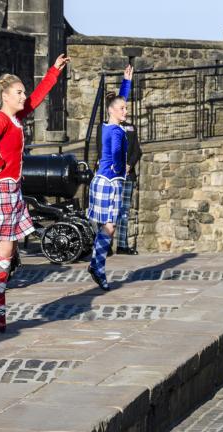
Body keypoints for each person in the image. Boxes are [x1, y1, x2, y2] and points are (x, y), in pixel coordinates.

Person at [0, 54, 70, 333]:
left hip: (11, 188)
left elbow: (37, 98)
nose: (23, 96)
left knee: (9, 249)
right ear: (5, 95)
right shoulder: (2, 119)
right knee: (5, 249)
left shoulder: (15, 117)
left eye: (23, 92)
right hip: (1, 189)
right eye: (18, 92)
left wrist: (53, 72)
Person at [88, 65, 134, 290]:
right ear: (114, 111)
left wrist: (126, 82)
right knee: (109, 228)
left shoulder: (109, 124)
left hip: (108, 181)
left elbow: (118, 100)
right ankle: (97, 266)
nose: (126, 111)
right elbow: (116, 153)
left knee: (109, 227)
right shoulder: (115, 131)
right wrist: (121, 168)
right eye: (123, 109)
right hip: (108, 182)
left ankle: (97, 265)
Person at [116, 110, 142, 254]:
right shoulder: (105, 128)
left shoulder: (131, 128)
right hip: (111, 176)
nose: (124, 111)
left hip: (127, 175)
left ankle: (122, 245)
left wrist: (129, 165)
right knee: (108, 212)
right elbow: (103, 151)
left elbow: (137, 151)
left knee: (124, 212)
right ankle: (105, 246)